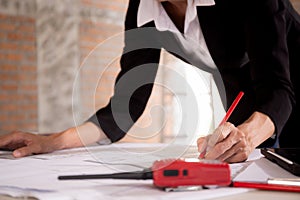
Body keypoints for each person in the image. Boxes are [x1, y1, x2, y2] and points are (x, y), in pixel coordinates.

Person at [0, 0, 299, 163]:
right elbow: (127, 104)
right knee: (248, 166)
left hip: (289, 79)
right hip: (242, 94)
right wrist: (55, 141)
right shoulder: (143, 9)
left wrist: (247, 135)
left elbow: (278, 87)